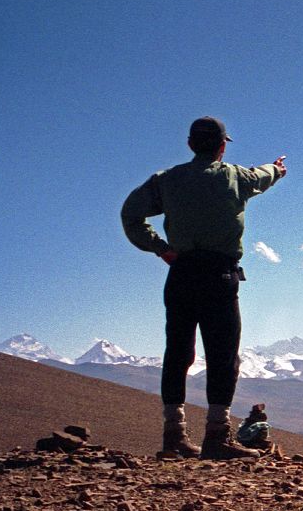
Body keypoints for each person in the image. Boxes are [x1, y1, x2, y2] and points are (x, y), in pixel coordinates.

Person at [121, 116, 286, 459]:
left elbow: (130, 214)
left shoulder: (167, 181)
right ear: (223, 145)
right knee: (223, 354)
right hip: (219, 276)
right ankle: (216, 436)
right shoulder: (235, 177)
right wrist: (277, 168)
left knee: (178, 352)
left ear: (190, 144)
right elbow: (263, 176)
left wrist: (161, 248)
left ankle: (173, 436)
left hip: (180, 273)